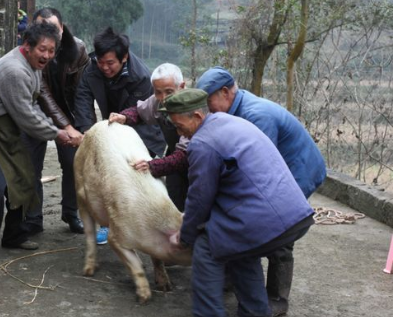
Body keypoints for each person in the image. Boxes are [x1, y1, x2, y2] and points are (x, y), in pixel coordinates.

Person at [163, 88, 315, 317]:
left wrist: (184, 237)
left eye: (179, 126)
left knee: (207, 246)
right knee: (237, 250)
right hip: (294, 213)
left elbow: (199, 198)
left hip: (267, 218)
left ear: (197, 116)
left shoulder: (202, 143)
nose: (180, 134)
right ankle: (255, 312)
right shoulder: (228, 121)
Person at [196, 66, 326, 316]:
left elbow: (258, 168)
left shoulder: (256, 116)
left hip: (299, 169)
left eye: (209, 101)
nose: (207, 109)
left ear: (225, 93)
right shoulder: (234, 111)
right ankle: (239, 279)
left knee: (281, 228)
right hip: (282, 168)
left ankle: (277, 298)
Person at [0, 22, 70, 265]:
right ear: (27, 46)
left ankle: (14, 235)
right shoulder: (14, 70)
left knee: (23, 177)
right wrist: (58, 134)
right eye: (43, 49)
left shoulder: (32, 65)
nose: (47, 55)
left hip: (6, 130)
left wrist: (58, 128)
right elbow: (26, 115)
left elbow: (31, 106)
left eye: (52, 50)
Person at [73, 27, 166, 244]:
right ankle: (110, 224)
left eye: (110, 63)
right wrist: (88, 132)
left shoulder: (141, 77)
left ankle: (147, 228)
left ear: (124, 57)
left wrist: (109, 137)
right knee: (110, 177)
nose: (104, 67)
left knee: (141, 180)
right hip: (113, 125)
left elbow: (136, 115)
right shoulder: (93, 68)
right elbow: (83, 98)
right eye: (101, 62)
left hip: (142, 132)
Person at [21, 8, 90, 235]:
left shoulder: (78, 49)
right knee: (31, 165)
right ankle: (33, 217)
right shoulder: (30, 49)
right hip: (35, 111)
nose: (50, 33)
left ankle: (71, 212)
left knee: (73, 164)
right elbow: (42, 91)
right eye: (43, 27)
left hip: (69, 112)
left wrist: (78, 127)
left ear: (62, 28)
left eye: (54, 28)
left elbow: (82, 92)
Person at [108, 63, 189, 211]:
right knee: (174, 201)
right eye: (158, 92)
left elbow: (183, 157)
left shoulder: (193, 108)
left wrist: (152, 166)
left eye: (169, 91)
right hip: (174, 154)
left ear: (182, 86)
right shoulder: (157, 101)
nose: (163, 98)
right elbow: (139, 112)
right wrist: (124, 117)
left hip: (197, 161)